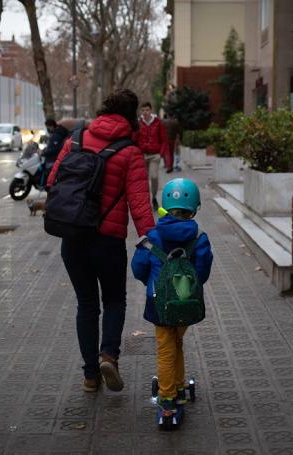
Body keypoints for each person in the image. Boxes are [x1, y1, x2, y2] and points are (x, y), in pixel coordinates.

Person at [46, 89, 155, 393]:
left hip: (73, 237)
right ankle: (109, 355)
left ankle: (90, 376)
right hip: (108, 241)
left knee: (86, 304)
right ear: (132, 115)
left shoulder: (76, 139)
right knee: (114, 300)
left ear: (104, 109)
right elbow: (140, 205)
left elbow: (52, 181)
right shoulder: (130, 151)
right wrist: (154, 242)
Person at [131, 178, 213, 423]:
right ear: (194, 208)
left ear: (165, 205)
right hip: (187, 303)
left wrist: (151, 283)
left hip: (158, 303)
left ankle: (167, 399)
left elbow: (138, 268)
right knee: (177, 342)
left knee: (165, 348)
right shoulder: (199, 237)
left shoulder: (152, 237)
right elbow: (203, 271)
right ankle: (178, 386)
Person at [135, 102, 168, 210]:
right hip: (142, 155)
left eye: (147, 110)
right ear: (141, 111)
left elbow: (163, 139)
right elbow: (134, 139)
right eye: (143, 110)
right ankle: (145, 200)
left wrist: (161, 154)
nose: (145, 112)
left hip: (155, 155)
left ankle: (154, 198)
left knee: (154, 177)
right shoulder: (138, 123)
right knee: (143, 179)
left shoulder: (158, 122)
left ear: (151, 110)